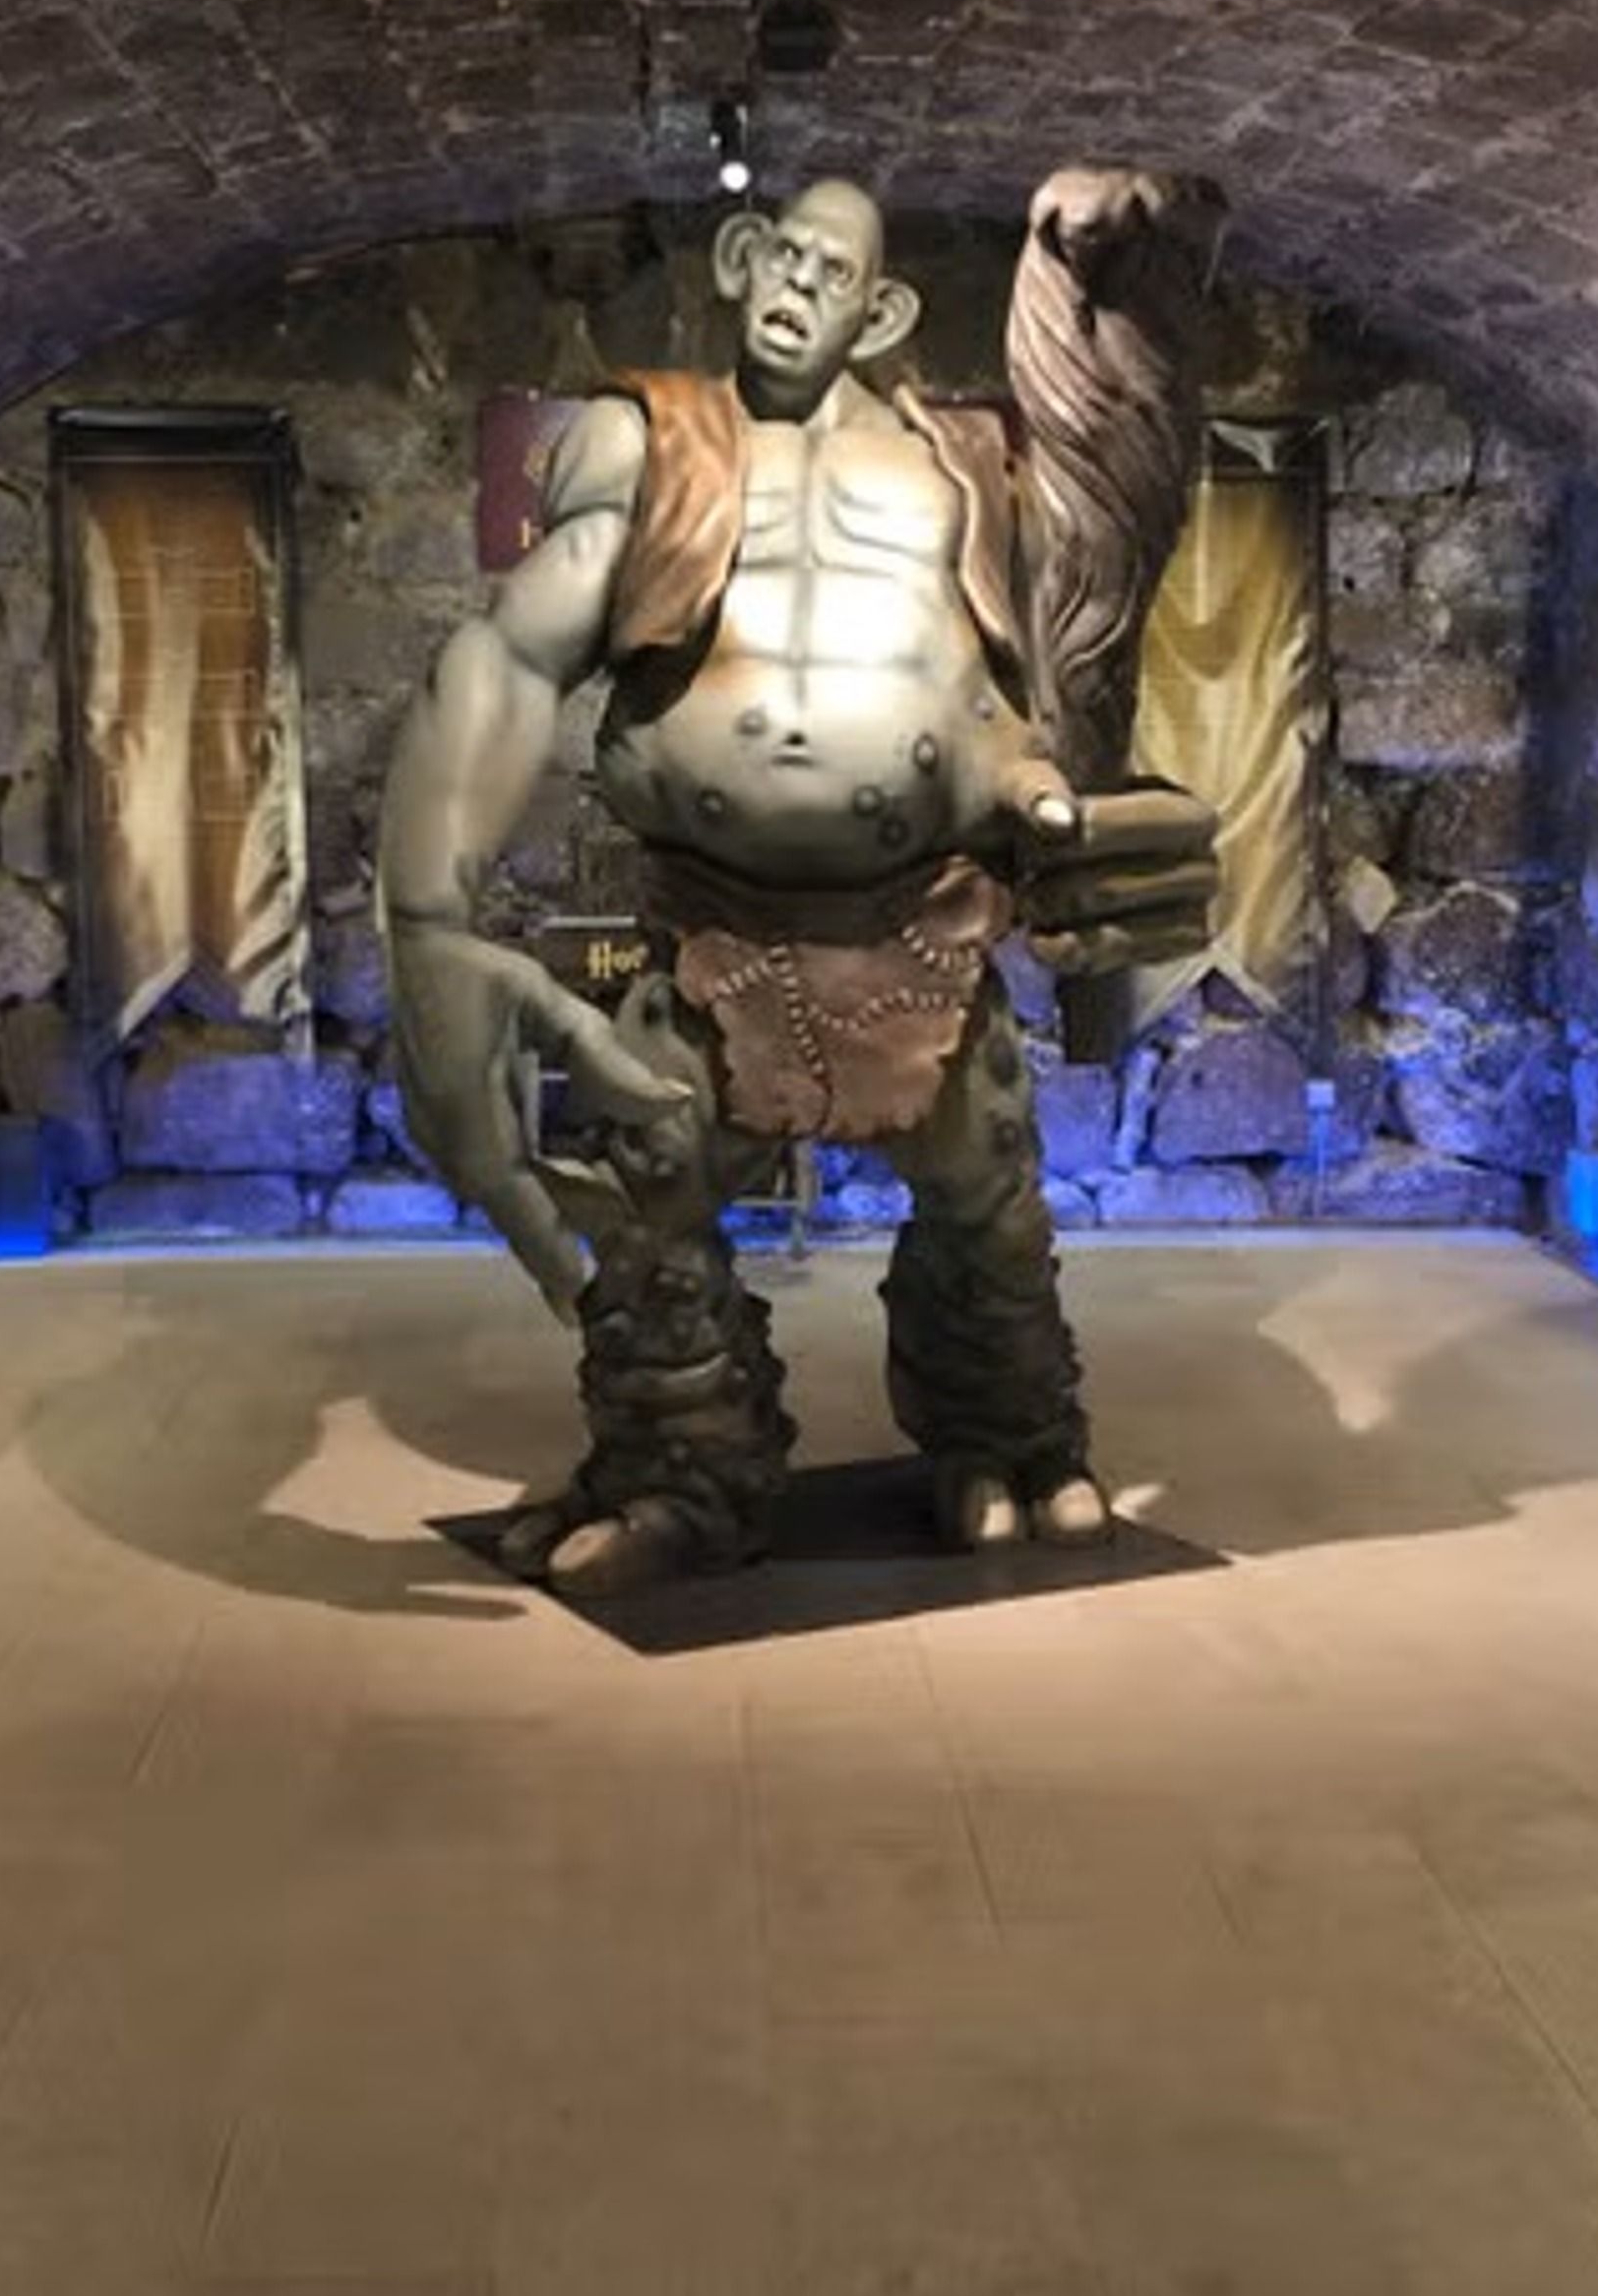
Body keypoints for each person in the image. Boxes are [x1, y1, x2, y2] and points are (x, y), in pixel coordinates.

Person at [379, 171, 1214, 1596]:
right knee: (649, 1211)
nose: (796, 289)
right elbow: (509, 661)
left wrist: (1043, 793)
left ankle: (1008, 1439)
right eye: (782, 258)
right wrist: (427, 924)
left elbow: (1021, 683)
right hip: (716, 940)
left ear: (880, 312)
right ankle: (683, 1473)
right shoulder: (645, 442)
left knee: (992, 1209)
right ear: (735, 259)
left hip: (927, 937)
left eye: (834, 275)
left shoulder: (963, 468)